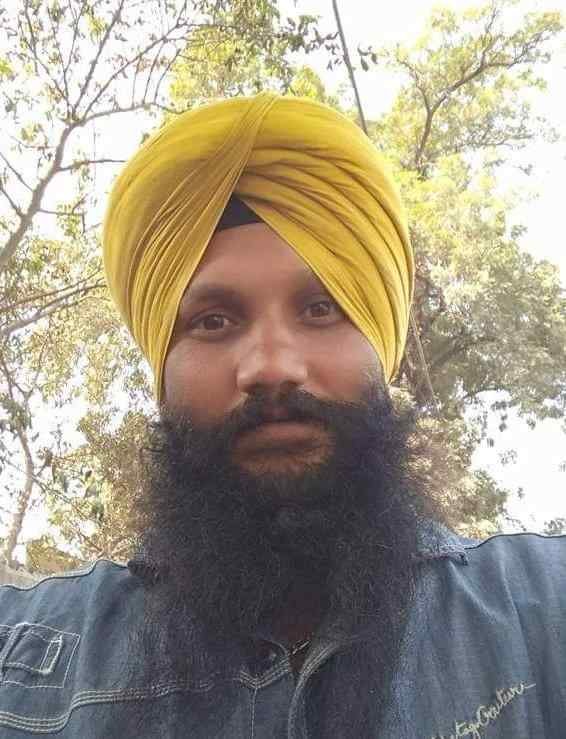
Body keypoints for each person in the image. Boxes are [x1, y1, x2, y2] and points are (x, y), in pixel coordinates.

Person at [0, 92, 565, 739]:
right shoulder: (25, 663)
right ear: (161, 372)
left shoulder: (542, 613)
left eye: (322, 309)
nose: (271, 366)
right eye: (214, 321)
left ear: (383, 351)